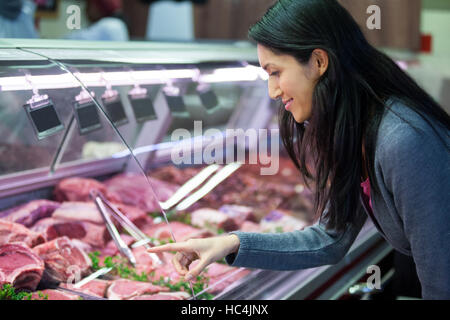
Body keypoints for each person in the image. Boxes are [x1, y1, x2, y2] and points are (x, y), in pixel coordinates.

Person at [147, 0, 450, 299]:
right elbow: (330, 239)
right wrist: (230, 244)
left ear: (319, 62)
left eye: (275, 72)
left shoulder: (404, 141)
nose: (272, 91)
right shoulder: (356, 130)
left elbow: (443, 282)